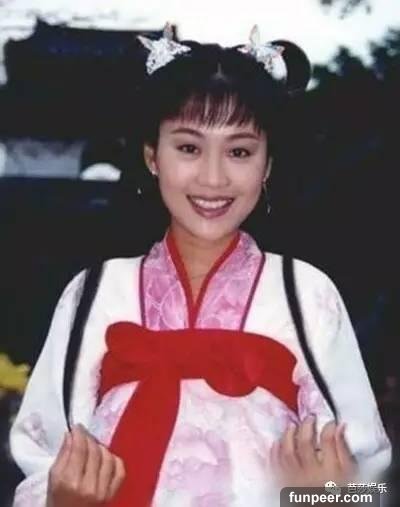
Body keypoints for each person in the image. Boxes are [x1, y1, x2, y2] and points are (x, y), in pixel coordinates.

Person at [9, 25, 391, 507]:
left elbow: (369, 487)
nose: (213, 178)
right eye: (189, 148)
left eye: (239, 151)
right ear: (152, 156)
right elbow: (41, 462)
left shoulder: (306, 294)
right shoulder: (94, 293)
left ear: (268, 165)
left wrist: (320, 495)